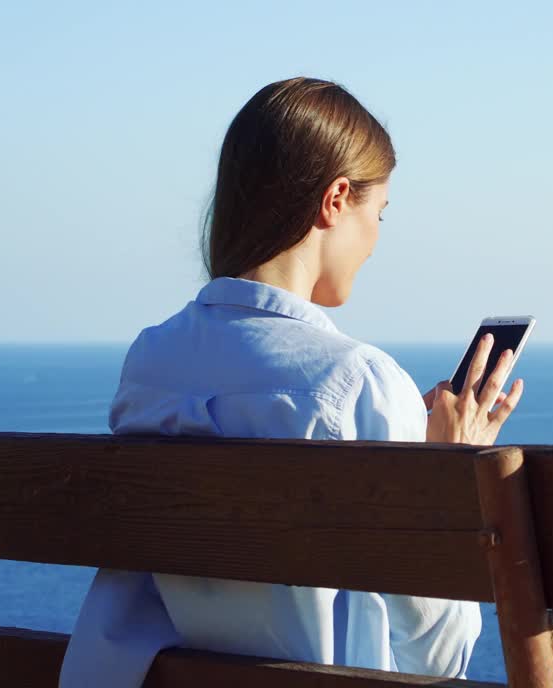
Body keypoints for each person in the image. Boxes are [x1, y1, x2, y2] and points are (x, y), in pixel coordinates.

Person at [58, 77, 525, 687]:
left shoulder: (151, 361)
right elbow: (437, 662)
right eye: (378, 213)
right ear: (335, 200)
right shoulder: (358, 383)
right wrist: (446, 474)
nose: (377, 240)